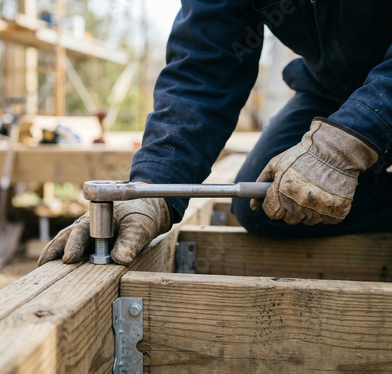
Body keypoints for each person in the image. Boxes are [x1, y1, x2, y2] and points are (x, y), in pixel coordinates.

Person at [38, 0, 392, 267]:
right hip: (334, 87)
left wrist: (348, 141)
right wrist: (151, 189)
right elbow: (205, 69)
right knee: (270, 204)